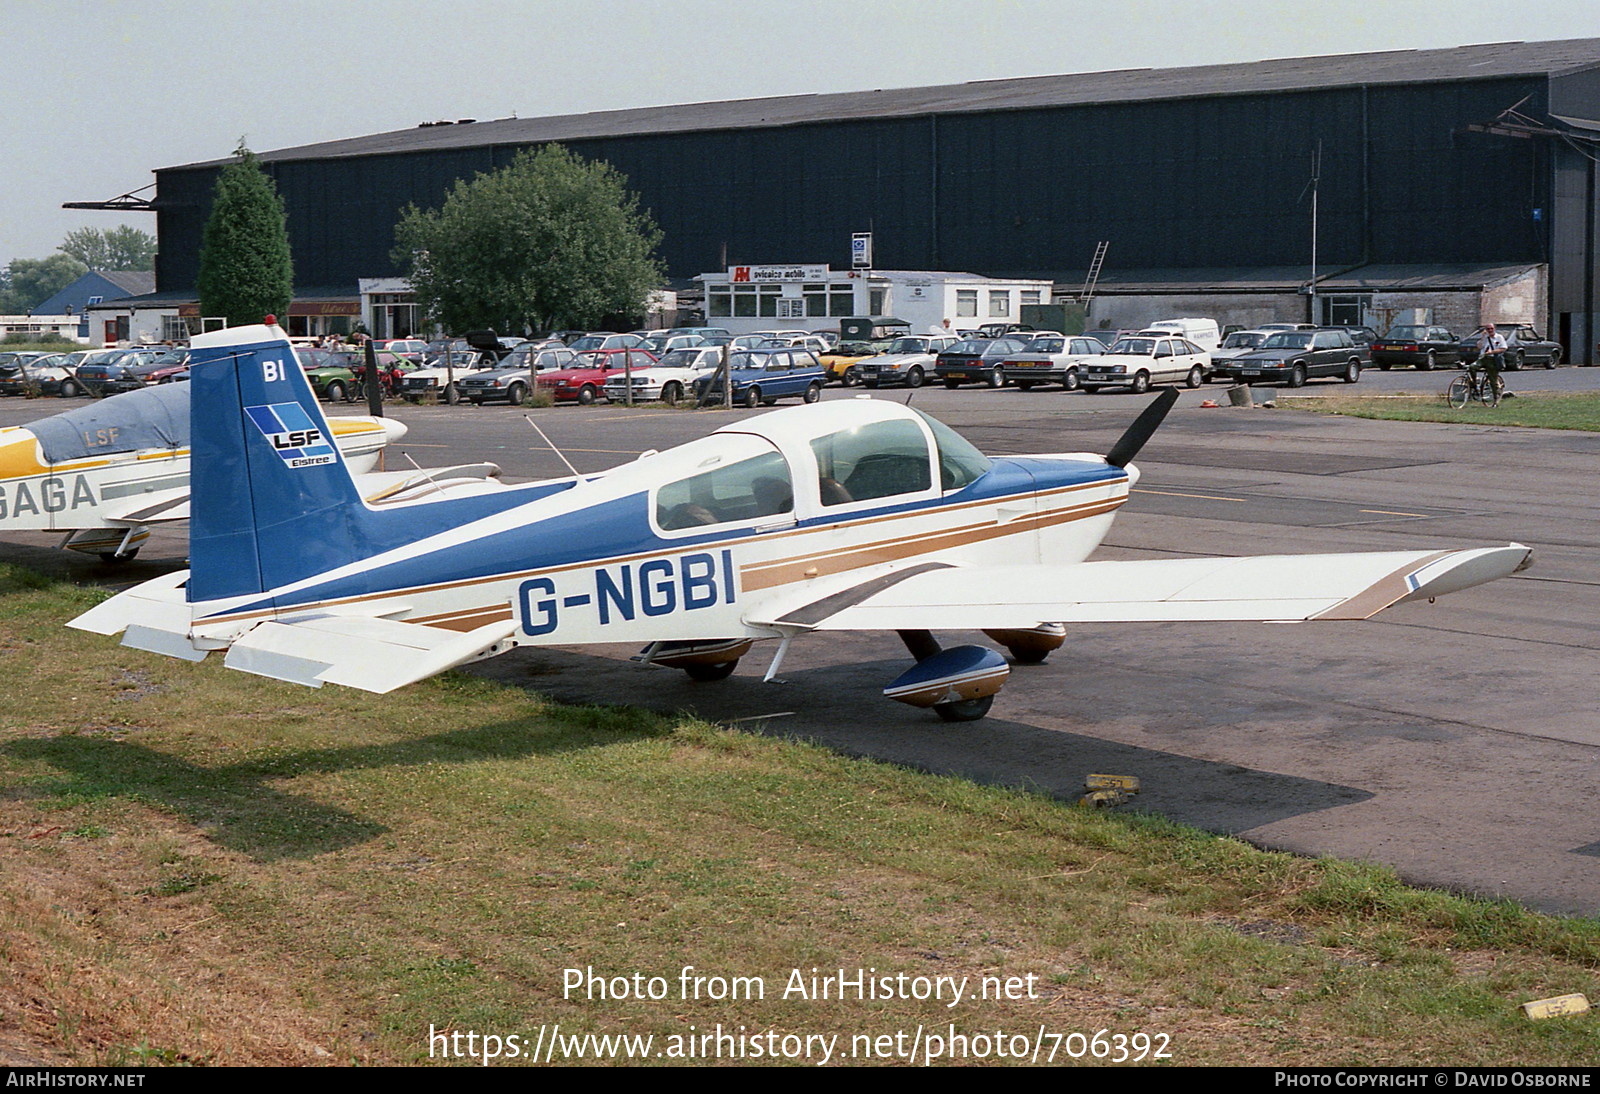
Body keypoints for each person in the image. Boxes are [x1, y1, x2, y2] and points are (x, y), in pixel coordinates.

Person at [1473, 323, 1508, 391]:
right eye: (1488, 329)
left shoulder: (1499, 337)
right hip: (1483, 358)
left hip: (1492, 359)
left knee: (1493, 381)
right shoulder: (1485, 338)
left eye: (1491, 328)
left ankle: (1496, 397)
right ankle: (1474, 385)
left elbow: (1503, 348)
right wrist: (1483, 337)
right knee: (1471, 367)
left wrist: (1492, 352)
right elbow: (1479, 347)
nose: (1490, 330)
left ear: (1494, 329)